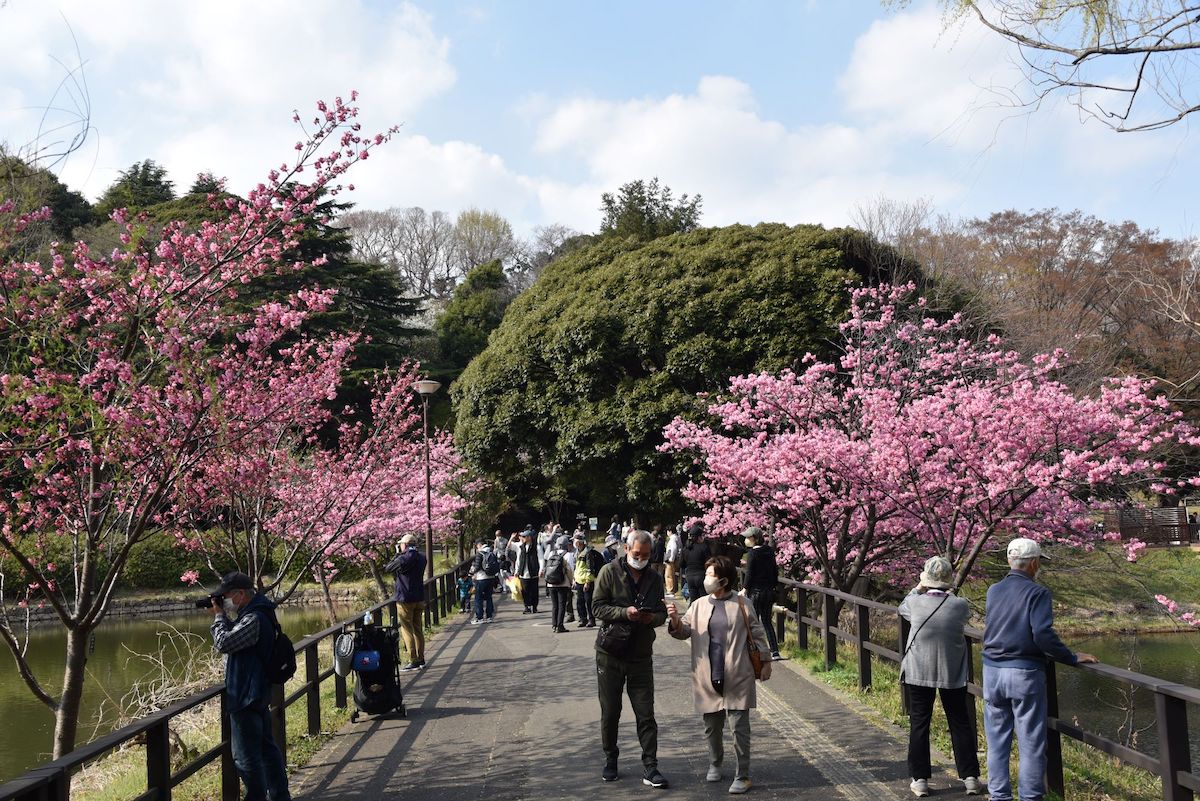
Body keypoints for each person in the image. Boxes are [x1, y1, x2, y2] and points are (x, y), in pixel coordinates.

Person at [983, 537, 1098, 801]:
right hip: (1023, 672)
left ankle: (999, 796)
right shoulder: (1038, 593)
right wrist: (1071, 657)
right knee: (1031, 743)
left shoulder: (993, 590)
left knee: (997, 741)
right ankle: (1030, 797)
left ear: (1010, 560)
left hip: (992, 671)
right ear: (1034, 563)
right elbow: (1043, 635)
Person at [667, 556, 770, 795]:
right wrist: (674, 620)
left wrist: (766, 662)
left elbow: (757, 633)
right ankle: (715, 763)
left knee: (739, 728)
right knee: (711, 726)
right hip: (707, 674)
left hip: (738, 673)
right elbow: (683, 631)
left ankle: (742, 775)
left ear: (724, 580)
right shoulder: (698, 605)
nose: (706, 579)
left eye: (710, 575)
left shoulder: (742, 603)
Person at [592, 530, 669, 788]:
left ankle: (651, 766)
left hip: (640, 655)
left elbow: (661, 613)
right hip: (610, 653)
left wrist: (651, 618)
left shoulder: (654, 577)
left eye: (646, 555)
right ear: (626, 549)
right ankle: (610, 759)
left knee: (646, 713)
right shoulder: (609, 572)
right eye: (637, 554)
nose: (641, 559)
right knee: (610, 711)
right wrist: (625, 612)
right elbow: (597, 607)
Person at [899, 556, 981, 798]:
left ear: (926, 579)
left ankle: (920, 780)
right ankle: (970, 778)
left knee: (919, 722)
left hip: (918, 670)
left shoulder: (915, 603)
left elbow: (903, 606)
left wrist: (918, 587)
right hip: (951, 671)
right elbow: (962, 617)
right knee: (959, 721)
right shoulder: (960, 605)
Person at [206, 571, 292, 801]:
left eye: (225, 597)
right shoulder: (257, 612)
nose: (224, 601)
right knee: (266, 750)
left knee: (245, 758)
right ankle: (279, 795)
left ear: (240, 594)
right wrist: (224, 616)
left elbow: (224, 642)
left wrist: (218, 617)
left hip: (246, 695)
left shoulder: (254, 618)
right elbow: (239, 640)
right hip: (256, 691)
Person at [384, 533, 427, 671]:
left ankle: (413, 659)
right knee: (418, 629)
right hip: (419, 597)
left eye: (401, 544)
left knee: (407, 629)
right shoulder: (422, 557)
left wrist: (397, 554)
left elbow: (388, 568)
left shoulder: (403, 558)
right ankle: (421, 658)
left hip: (405, 598)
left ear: (405, 545)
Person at [741, 526, 781, 660]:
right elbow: (775, 571)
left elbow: (749, 573)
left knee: (753, 622)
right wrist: (773, 586)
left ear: (755, 538)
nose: (746, 540)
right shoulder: (769, 551)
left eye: (748, 537)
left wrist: (745, 588)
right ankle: (775, 651)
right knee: (767, 621)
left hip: (756, 592)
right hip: (768, 591)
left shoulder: (753, 553)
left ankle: (754, 650)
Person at [544, 535, 575, 633]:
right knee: (562, 605)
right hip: (562, 583)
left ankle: (554, 625)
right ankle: (560, 626)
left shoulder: (551, 553)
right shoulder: (568, 555)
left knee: (555, 605)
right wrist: (571, 581)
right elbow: (570, 570)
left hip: (551, 583)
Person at [573, 532, 603, 628]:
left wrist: (587, 582)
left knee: (588, 601)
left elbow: (590, 568)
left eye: (575, 541)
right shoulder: (577, 552)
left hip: (587, 581)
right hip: (578, 580)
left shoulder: (588, 552)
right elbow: (576, 567)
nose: (574, 543)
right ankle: (583, 619)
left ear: (580, 542)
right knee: (580, 602)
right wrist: (574, 579)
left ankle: (591, 619)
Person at [509, 527, 541, 614]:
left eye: (524, 536)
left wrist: (541, 569)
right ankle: (527, 607)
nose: (522, 538)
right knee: (525, 591)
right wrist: (517, 571)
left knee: (534, 591)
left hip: (533, 572)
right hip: (523, 572)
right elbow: (518, 560)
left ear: (529, 537)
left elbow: (540, 559)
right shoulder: (521, 547)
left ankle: (534, 607)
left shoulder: (536, 547)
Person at [470, 540, 501, 623]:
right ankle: (489, 617)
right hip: (491, 578)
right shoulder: (491, 551)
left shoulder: (480, 553)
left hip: (481, 578)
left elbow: (477, 567)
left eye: (477, 546)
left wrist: (472, 573)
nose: (477, 547)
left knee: (478, 598)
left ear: (479, 544)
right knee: (489, 598)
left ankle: (479, 618)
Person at [682, 523, 712, 601]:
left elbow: (681, 564)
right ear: (699, 537)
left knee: (693, 600)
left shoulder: (685, 549)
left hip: (689, 576)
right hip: (701, 575)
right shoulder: (704, 547)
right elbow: (709, 562)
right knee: (704, 600)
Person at [663, 525, 681, 598]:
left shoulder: (673, 539)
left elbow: (673, 548)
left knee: (669, 575)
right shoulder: (677, 537)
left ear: (670, 531)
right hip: (676, 558)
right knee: (673, 575)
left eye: (667, 531)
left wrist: (671, 558)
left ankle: (670, 591)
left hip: (671, 559)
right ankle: (673, 590)